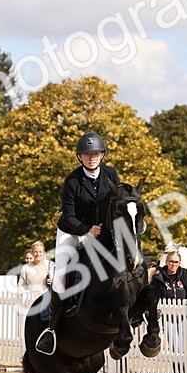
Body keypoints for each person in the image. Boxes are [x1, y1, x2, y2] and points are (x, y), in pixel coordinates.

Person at [35, 131, 120, 355]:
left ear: (102, 155)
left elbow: (118, 203)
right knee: (61, 275)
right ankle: (51, 328)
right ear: (79, 157)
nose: (92, 157)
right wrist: (86, 230)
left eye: (96, 153)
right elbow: (68, 215)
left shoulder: (111, 174)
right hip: (72, 230)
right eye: (87, 154)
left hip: (101, 231)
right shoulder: (72, 180)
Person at [150, 251, 187, 373]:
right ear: (166, 262)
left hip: (184, 317)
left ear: (179, 263)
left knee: (183, 347)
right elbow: (151, 293)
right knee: (176, 347)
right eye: (171, 261)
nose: (173, 264)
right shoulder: (158, 277)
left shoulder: (184, 275)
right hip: (168, 317)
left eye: (176, 262)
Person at [17, 241, 51, 307]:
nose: (38, 254)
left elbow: (58, 284)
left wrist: (51, 282)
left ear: (43, 252)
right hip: (30, 303)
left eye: (40, 251)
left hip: (46, 303)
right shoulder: (25, 268)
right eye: (36, 252)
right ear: (32, 253)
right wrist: (24, 296)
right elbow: (20, 286)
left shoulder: (50, 265)